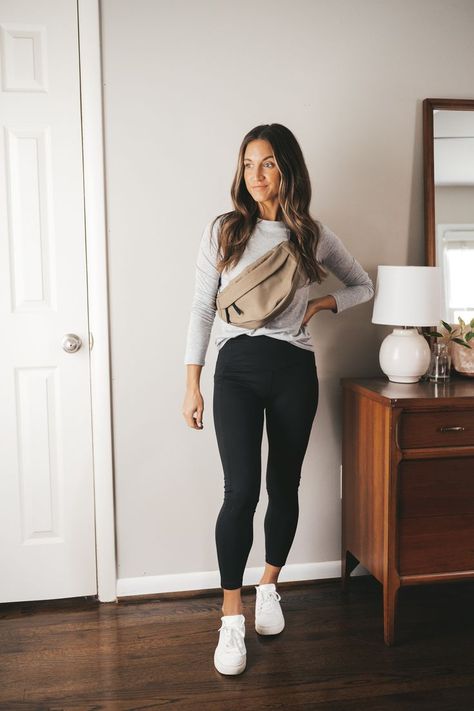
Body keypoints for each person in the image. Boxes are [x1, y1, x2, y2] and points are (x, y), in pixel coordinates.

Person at [182, 123, 374, 676]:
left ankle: (269, 586)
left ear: (287, 168)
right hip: (236, 369)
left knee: (283, 482)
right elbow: (201, 308)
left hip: (294, 369)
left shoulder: (310, 235)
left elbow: (363, 284)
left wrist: (322, 306)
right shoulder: (225, 230)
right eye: (247, 164)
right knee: (240, 491)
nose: (256, 175)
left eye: (267, 163)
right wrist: (192, 382)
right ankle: (231, 618)